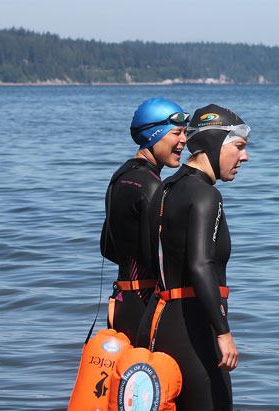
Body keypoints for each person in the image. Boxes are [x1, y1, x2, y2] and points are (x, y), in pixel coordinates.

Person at [144, 103, 249, 409]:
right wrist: (223, 331)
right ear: (214, 144)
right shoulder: (206, 195)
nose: (244, 157)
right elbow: (201, 265)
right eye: (239, 147)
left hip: (157, 322)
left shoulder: (164, 189)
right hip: (194, 333)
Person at [100, 97, 189, 344]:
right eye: (177, 133)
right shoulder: (152, 187)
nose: (184, 140)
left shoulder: (120, 177)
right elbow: (162, 262)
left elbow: (107, 247)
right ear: (154, 134)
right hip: (146, 306)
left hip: (122, 303)